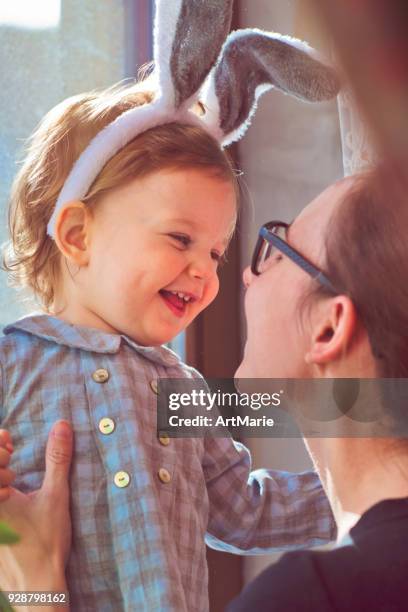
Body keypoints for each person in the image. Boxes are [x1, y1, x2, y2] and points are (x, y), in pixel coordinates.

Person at [0, 3, 342, 608]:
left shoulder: (181, 391)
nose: (204, 272)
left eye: (214, 251)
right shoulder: (11, 363)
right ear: (77, 235)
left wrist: (365, 486)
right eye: (180, 240)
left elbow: (245, 511)